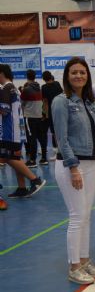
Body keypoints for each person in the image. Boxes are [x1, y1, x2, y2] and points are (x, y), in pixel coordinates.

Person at [51, 57, 95, 284]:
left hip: (91, 164)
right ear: (67, 76)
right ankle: (73, 267)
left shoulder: (89, 103)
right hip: (73, 164)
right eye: (74, 73)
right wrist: (73, 167)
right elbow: (61, 138)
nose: (79, 76)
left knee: (87, 216)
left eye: (82, 72)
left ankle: (84, 260)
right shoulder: (61, 101)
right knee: (77, 215)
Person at [0, 64, 46, 199]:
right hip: (17, 130)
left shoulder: (6, 88)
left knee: (8, 157)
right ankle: (21, 187)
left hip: (9, 131)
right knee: (15, 157)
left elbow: (4, 110)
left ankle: (34, 180)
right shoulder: (14, 88)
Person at [20, 69, 48, 166]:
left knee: (32, 138)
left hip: (30, 116)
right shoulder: (39, 88)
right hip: (39, 116)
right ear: (35, 76)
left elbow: (21, 103)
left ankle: (32, 160)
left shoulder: (26, 89)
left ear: (26, 76)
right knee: (41, 137)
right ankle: (44, 158)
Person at [41, 71, 63, 158]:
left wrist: (45, 115)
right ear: (51, 76)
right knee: (61, 130)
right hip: (60, 108)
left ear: (43, 79)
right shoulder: (57, 84)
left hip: (52, 110)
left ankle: (58, 152)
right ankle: (61, 150)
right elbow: (62, 95)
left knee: (54, 132)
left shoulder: (44, 87)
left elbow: (45, 102)